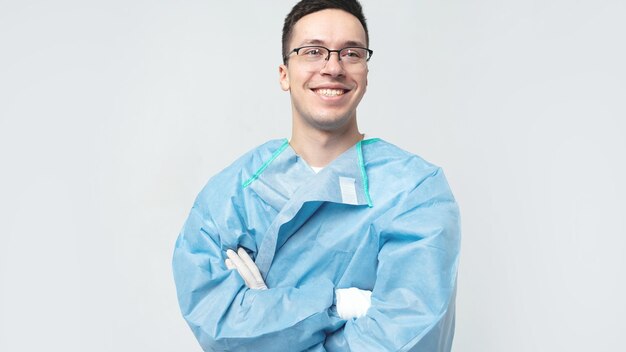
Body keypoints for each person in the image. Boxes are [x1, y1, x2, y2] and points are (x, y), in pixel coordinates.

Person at [172, 0, 461, 351]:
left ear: (365, 73)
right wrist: (340, 303)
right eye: (312, 51)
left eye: (351, 53)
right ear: (284, 73)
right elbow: (217, 324)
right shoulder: (233, 194)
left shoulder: (414, 191)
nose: (333, 67)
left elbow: (408, 334)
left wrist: (270, 312)